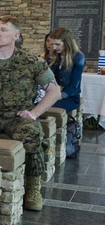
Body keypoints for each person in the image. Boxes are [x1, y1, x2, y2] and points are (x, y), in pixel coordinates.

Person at [0, 16, 61, 211]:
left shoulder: (32, 62)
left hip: (18, 116)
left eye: (3, 30)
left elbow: (54, 91)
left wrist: (35, 112)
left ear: (16, 35)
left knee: (32, 134)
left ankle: (33, 187)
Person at [44, 27, 84, 159]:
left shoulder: (78, 57)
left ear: (66, 43)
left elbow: (73, 86)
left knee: (47, 107)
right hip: (54, 94)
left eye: (57, 44)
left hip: (70, 98)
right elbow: (50, 79)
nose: (54, 47)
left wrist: (56, 94)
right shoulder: (53, 56)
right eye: (52, 44)